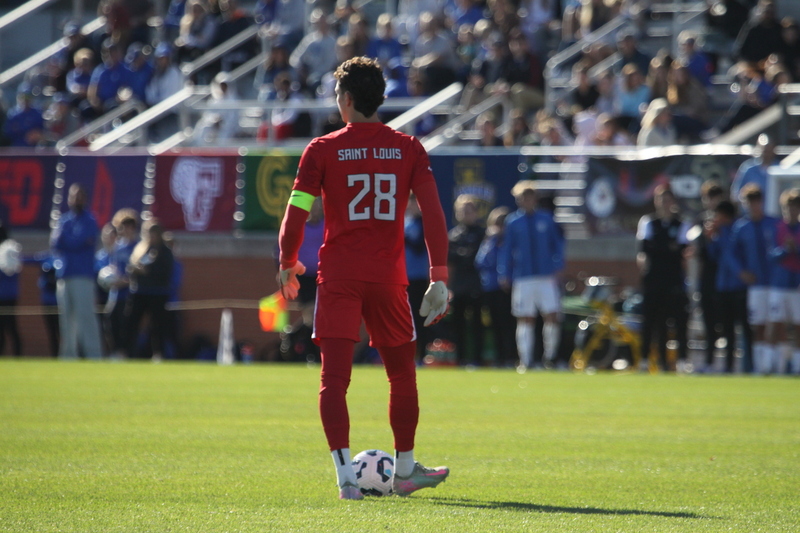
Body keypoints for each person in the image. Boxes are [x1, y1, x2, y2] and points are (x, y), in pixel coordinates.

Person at [277, 57, 450, 500]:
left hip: (339, 275)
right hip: (388, 277)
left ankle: (346, 480)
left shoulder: (322, 148)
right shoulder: (408, 148)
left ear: (348, 99)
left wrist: (287, 260)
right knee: (402, 376)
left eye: (337, 94)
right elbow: (433, 214)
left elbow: (296, 212)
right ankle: (405, 470)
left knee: (334, 379)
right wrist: (439, 275)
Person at [498, 181, 565, 371]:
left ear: (535, 199)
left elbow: (557, 244)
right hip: (523, 277)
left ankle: (550, 358)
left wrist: (558, 266)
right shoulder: (513, 222)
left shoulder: (546, 219)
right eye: (522, 198)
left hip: (545, 276)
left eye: (529, 197)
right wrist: (504, 272)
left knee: (552, 315)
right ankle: (525, 360)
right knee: (525, 317)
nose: (526, 201)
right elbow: (507, 249)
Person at [636, 184, 690, 371]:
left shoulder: (681, 224)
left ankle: (682, 361)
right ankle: (647, 360)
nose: (664, 204)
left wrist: (661, 248)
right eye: (661, 200)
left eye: (668, 200)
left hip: (674, 280)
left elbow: (681, 250)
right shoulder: (648, 222)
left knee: (678, 321)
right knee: (651, 321)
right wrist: (668, 248)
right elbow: (645, 248)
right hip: (653, 279)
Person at [51, 184, 103, 360]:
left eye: (79, 196)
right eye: (73, 196)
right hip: (65, 275)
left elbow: (81, 241)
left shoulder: (90, 220)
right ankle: (68, 355)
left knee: (85, 316)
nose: (76, 199)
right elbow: (55, 243)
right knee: (66, 318)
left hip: (83, 276)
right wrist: (71, 241)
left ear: (85, 199)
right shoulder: (64, 220)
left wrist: (68, 240)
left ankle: (93, 354)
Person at [733, 184, 778, 374]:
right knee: (758, 325)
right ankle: (761, 367)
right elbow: (732, 254)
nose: (752, 206)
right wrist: (741, 272)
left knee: (776, 324)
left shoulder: (773, 223)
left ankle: (777, 365)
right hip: (756, 285)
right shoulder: (741, 227)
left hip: (776, 284)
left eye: (755, 201)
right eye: (749, 202)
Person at [707, 199, 750, 373]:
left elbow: (730, 255)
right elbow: (714, 255)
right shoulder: (720, 232)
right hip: (723, 286)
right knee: (727, 328)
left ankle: (748, 365)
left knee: (744, 327)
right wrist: (710, 239)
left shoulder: (738, 229)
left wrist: (741, 273)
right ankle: (728, 366)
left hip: (739, 285)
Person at [125, 219, 174, 361]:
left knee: (157, 325)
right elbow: (131, 268)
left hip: (158, 293)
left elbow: (165, 272)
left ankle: (159, 353)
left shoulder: (165, 251)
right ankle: (127, 352)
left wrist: (148, 271)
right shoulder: (140, 250)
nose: (151, 238)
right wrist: (136, 270)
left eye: (154, 234)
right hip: (140, 291)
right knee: (131, 322)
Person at [475, 206, 517, 367]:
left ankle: (512, 356)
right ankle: (500, 357)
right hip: (491, 287)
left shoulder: (511, 241)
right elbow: (481, 262)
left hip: (508, 287)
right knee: (495, 324)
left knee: (510, 324)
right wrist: (491, 241)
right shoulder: (489, 241)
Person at [448, 194, 486, 366]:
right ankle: (460, 358)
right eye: (462, 211)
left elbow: (477, 257)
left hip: (477, 284)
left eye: (469, 211)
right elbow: (450, 259)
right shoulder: (454, 235)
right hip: (458, 285)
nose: (465, 214)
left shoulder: (482, 234)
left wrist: (463, 254)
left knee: (477, 323)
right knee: (458, 324)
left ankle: (478, 358)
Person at [692, 180, 725, 371]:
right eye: (708, 198)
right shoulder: (700, 221)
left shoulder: (728, 221)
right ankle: (709, 361)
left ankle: (728, 363)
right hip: (706, 276)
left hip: (725, 276)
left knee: (725, 321)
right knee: (708, 320)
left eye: (715, 198)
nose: (711, 202)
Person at [768, 188, 800, 374]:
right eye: (788, 208)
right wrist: (785, 250)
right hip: (779, 284)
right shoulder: (777, 227)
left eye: (795, 207)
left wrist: (795, 248)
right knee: (776, 323)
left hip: (796, 285)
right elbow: (771, 255)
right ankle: (772, 365)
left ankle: (797, 365)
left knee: (798, 325)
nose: (791, 211)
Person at [405, 194, 433, 363]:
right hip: (403, 277)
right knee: (406, 318)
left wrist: (404, 237)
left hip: (419, 277)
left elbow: (419, 246)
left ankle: (422, 354)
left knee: (419, 316)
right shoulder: (405, 222)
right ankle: (408, 354)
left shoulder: (424, 222)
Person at [730, 134, 778, 207]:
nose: (766, 153)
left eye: (768, 150)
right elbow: (736, 194)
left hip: (774, 212)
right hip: (749, 213)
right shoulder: (748, 169)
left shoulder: (779, 169)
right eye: (764, 150)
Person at [0, 223, 22, 356]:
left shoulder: (9, 249)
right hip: (5, 294)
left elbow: (11, 270)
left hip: (7, 295)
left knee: (10, 326)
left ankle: (17, 355)